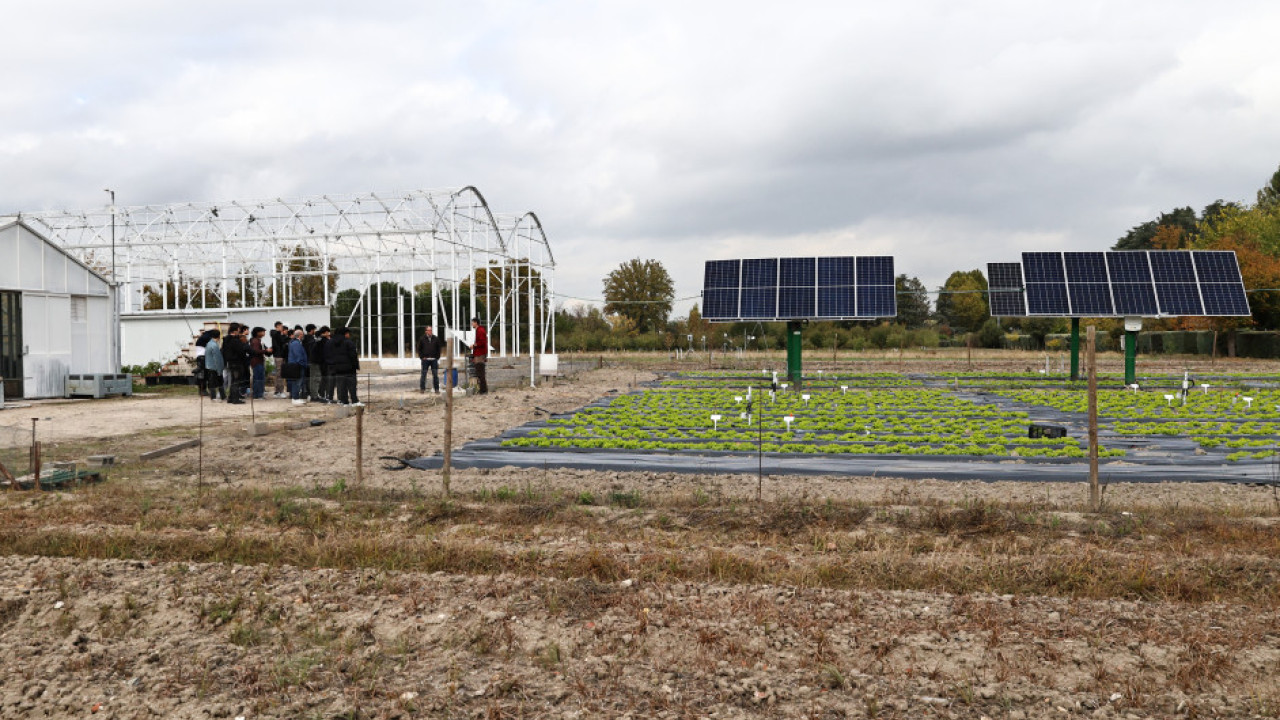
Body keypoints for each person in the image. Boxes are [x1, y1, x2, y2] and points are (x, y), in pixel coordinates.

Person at [327, 326, 361, 406]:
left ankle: (344, 401)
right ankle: (354, 401)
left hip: (337, 368)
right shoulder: (349, 342)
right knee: (352, 386)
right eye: (348, 333)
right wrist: (355, 366)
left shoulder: (332, 342)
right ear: (345, 334)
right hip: (349, 368)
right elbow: (353, 356)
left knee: (341, 386)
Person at [221, 323, 249, 404]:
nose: (239, 331)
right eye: (239, 329)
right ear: (236, 330)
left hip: (230, 362)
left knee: (233, 380)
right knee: (236, 381)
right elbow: (240, 351)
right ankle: (235, 398)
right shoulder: (234, 340)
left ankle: (231, 397)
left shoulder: (226, 339)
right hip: (236, 362)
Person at [417, 325, 445, 393]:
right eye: (429, 330)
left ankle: (436, 389)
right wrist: (422, 357)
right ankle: (422, 389)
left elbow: (439, 348)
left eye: (431, 330)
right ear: (426, 331)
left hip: (434, 360)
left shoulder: (436, 338)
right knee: (423, 375)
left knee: (435, 375)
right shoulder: (422, 339)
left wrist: (437, 357)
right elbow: (419, 349)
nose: (430, 331)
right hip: (425, 360)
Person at [310, 325, 332, 403]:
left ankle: (317, 395)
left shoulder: (317, 339)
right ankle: (315, 396)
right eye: (328, 332)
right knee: (316, 379)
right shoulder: (322, 340)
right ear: (325, 332)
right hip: (317, 362)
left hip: (317, 362)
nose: (329, 334)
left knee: (318, 379)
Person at [286, 329, 309, 404]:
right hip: (297, 365)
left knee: (297, 382)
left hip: (296, 365)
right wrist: (303, 364)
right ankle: (295, 398)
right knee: (297, 382)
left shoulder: (295, 342)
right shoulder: (296, 343)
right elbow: (298, 355)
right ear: (300, 335)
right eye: (302, 334)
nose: (303, 335)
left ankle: (295, 397)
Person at [203, 329, 226, 400]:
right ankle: (215, 397)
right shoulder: (214, 345)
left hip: (209, 366)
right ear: (219, 336)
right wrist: (220, 369)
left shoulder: (208, 344)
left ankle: (220, 396)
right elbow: (217, 358)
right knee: (218, 382)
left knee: (213, 382)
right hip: (214, 367)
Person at [248, 327, 269, 400]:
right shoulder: (255, 341)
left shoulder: (259, 341)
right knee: (258, 378)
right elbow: (256, 351)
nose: (264, 333)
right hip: (256, 362)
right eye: (262, 332)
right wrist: (265, 350)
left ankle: (258, 394)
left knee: (259, 378)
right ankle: (258, 394)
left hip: (259, 361)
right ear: (258, 333)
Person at [270, 321, 289, 398]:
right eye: (281, 326)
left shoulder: (280, 335)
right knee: (279, 373)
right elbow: (275, 335)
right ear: (277, 326)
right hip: (278, 356)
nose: (282, 328)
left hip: (281, 355)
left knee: (280, 373)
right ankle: (279, 391)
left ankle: (278, 391)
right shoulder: (274, 333)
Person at [469, 317, 488, 394]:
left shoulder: (480, 330)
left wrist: (474, 345)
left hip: (480, 354)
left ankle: (483, 390)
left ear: (476, 323)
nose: (472, 324)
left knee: (480, 372)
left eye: (472, 322)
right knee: (479, 372)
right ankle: (483, 389)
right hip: (479, 353)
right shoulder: (479, 330)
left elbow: (482, 342)